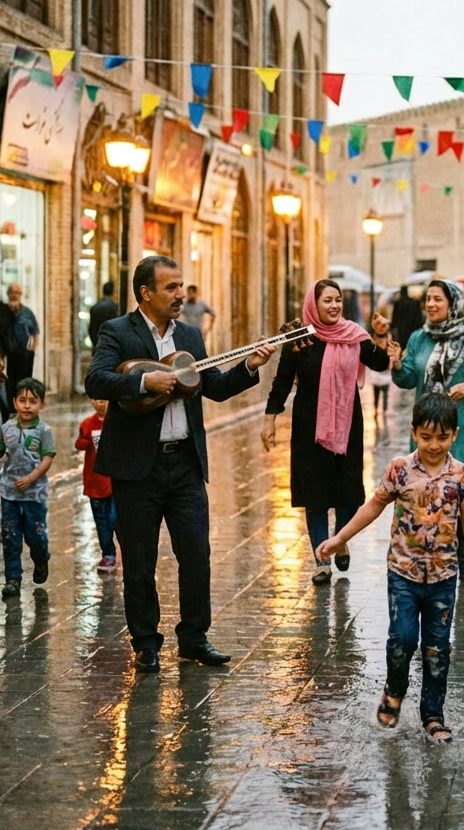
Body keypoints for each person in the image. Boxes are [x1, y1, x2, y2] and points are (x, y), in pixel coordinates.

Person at [85, 255, 276, 673]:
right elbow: (96, 379)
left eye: (181, 286)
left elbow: (215, 387)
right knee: (139, 560)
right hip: (139, 468)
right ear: (145, 293)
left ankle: (193, 638)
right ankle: (146, 643)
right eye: (171, 288)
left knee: (196, 554)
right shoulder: (117, 331)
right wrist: (142, 381)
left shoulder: (189, 334)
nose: (181, 295)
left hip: (185, 464)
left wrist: (249, 365)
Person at [317, 392, 464, 743]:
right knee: (403, 639)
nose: (434, 445)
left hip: (443, 577)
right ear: (413, 433)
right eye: (426, 437)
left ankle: (433, 715)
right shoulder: (400, 469)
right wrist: (339, 539)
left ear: (454, 434)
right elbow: (373, 506)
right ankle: (394, 691)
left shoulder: (462, 475)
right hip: (403, 575)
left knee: (437, 648)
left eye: (441, 437)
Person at [262, 279, 396, 585]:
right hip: (310, 426)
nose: (334, 306)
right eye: (327, 301)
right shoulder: (301, 339)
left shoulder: (354, 336)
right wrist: (269, 420)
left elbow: (379, 363)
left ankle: (340, 539)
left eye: (338, 300)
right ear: (314, 303)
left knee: (347, 493)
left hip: (348, 424)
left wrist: (381, 334)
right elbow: (282, 380)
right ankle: (321, 559)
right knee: (316, 495)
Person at [391, 279, 464, 577]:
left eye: (438, 299)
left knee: (462, 496)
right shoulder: (419, 338)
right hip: (429, 431)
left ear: (453, 303)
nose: (431, 305)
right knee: (427, 492)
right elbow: (409, 379)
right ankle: (429, 556)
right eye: (429, 300)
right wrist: (397, 364)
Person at [0, 378, 55, 599]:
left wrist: (32, 478)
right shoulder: (6, 428)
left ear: (41, 404)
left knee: (36, 537)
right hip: (9, 494)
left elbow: (47, 458)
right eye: (22, 400)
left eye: (33, 401)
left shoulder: (44, 431)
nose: (27, 405)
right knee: (10, 537)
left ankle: (41, 559)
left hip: (34, 495)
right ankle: (13, 579)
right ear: (14, 402)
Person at [75, 398, 117, 573]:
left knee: (116, 518)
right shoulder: (87, 424)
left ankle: (128, 552)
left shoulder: (118, 421)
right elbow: (79, 444)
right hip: (95, 482)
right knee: (101, 522)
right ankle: (108, 554)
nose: (101, 403)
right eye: (97, 399)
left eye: (105, 399)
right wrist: (88, 439)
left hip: (116, 481)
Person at [5, 284, 39, 394]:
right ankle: (11, 409)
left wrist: (32, 350)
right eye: (12, 293)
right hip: (8, 355)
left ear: (21, 295)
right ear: (8, 294)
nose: (14, 295)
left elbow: (35, 333)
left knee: (24, 384)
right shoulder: (3, 312)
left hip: (25, 355)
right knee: (9, 384)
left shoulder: (27, 313)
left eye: (17, 293)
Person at [390, 285, 425, 351]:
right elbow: (419, 319)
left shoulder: (398, 303)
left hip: (401, 330)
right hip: (412, 329)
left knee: (403, 347)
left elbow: (394, 319)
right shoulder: (414, 302)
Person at [89, 281, 120, 349]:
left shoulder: (94, 307)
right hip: (111, 344)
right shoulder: (115, 307)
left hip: (98, 344)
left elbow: (91, 329)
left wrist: (95, 344)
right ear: (113, 292)